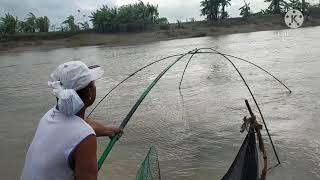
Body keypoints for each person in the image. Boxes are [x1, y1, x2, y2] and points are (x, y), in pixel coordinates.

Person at [21, 61, 123, 180]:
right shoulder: (85, 137)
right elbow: (82, 131)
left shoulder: (50, 115)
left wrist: (107, 130)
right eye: (93, 84)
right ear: (90, 92)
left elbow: (83, 124)